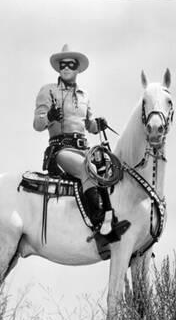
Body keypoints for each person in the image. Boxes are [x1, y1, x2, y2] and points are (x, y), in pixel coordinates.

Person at [33, 44, 130, 248]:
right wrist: (49, 117)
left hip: (85, 148)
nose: (66, 68)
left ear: (77, 69)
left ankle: (114, 216)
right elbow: (37, 124)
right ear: (58, 68)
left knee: (112, 169)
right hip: (62, 150)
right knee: (89, 169)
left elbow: (90, 125)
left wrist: (98, 124)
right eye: (62, 65)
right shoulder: (47, 91)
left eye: (70, 64)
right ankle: (99, 227)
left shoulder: (85, 95)